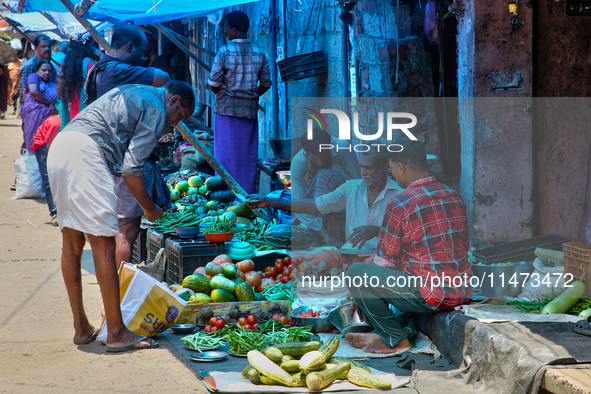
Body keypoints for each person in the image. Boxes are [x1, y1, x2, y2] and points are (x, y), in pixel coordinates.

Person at [47, 81, 195, 352]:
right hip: (86, 153)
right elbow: (131, 170)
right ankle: (116, 332)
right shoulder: (156, 108)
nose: (175, 123)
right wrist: (150, 208)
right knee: (104, 244)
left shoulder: (142, 91)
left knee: (72, 242)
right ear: (174, 101)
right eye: (180, 116)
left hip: (62, 146)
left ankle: (82, 328)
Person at [344, 139, 472, 355]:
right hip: (462, 291)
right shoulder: (455, 196)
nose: (392, 173)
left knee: (356, 273)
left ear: (401, 167)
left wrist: (360, 294)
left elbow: (385, 264)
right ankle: (390, 330)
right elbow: (464, 245)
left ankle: (394, 338)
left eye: (392, 168)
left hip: (430, 295)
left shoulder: (400, 203)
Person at [84, 25, 171, 269]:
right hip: (118, 156)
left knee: (113, 230)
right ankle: (119, 295)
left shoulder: (98, 68)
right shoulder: (116, 70)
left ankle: (112, 291)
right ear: (129, 47)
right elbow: (163, 78)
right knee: (127, 230)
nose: (144, 57)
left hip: (104, 154)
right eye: (142, 51)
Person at [248, 150, 403, 270]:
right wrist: (270, 201)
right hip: (348, 253)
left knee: (366, 268)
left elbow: (407, 234)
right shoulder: (351, 188)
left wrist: (377, 231)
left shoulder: (399, 194)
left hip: (378, 257)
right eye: (361, 167)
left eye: (368, 168)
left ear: (384, 167)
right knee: (316, 261)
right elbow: (313, 206)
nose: (362, 172)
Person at [208, 10, 272, 194]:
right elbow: (266, 83)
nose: (225, 31)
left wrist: (224, 92)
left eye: (227, 28)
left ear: (234, 29)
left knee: (224, 157)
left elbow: (213, 83)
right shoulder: (260, 54)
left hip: (225, 111)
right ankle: (246, 199)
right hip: (249, 112)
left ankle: (224, 197)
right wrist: (252, 94)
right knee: (246, 156)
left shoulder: (224, 52)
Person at [290, 128, 361, 238]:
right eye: (314, 159)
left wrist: (328, 168)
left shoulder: (342, 147)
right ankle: (316, 230)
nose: (320, 162)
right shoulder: (298, 162)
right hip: (318, 195)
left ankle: (316, 231)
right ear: (306, 153)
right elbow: (297, 202)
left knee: (324, 174)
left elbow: (357, 182)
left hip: (345, 193)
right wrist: (322, 231)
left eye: (324, 157)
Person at [56, 39, 98, 129]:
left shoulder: (68, 66)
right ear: (85, 48)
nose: (95, 49)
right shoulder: (89, 65)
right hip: (86, 121)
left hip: (72, 120)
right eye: (92, 46)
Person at [30, 114, 61, 225]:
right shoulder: (56, 124)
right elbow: (49, 146)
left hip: (56, 143)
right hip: (43, 146)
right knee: (48, 179)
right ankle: (54, 213)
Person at [22, 60, 58, 153]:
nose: (47, 73)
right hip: (34, 117)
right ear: (37, 70)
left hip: (49, 121)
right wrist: (49, 104)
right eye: (44, 70)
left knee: (46, 146)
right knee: (33, 142)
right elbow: (34, 92)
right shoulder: (34, 77)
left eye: (49, 71)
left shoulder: (52, 85)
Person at [7, 51, 23, 115]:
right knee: (12, 96)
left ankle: (17, 109)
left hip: (18, 83)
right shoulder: (10, 63)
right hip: (11, 83)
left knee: (17, 95)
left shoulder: (21, 62)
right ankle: (14, 108)